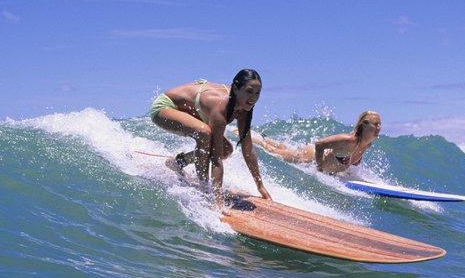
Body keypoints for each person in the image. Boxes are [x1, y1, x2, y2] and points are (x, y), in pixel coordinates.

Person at [149, 69, 272, 203]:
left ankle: (178, 163)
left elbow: (248, 149)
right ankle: (204, 189)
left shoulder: (244, 108)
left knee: (226, 149)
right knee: (204, 133)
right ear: (236, 89)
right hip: (165, 108)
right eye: (249, 91)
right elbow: (215, 158)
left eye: (257, 93)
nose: (253, 97)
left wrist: (260, 186)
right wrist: (215, 196)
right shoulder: (221, 105)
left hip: (191, 110)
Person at [251, 111, 382, 175]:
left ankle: (264, 137)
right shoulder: (349, 140)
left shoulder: (367, 144)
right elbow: (320, 144)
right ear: (364, 125)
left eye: (380, 124)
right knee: (273, 152)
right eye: (376, 124)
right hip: (309, 157)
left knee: (283, 148)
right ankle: (251, 137)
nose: (379, 127)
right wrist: (319, 167)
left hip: (318, 161)